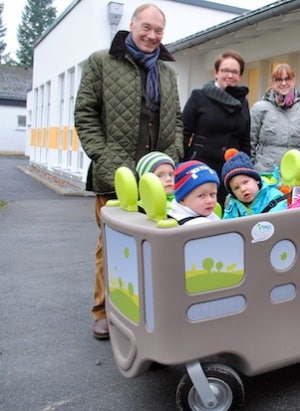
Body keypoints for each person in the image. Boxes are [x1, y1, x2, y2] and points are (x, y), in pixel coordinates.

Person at [74, 3, 184, 340]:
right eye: (146, 27)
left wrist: (173, 158)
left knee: (154, 247)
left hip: (157, 179)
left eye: (159, 30)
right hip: (116, 176)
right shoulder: (101, 62)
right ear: (132, 25)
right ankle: (103, 311)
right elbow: (85, 113)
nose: (152, 35)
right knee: (111, 247)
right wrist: (105, 158)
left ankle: (142, 308)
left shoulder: (166, 72)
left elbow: (176, 120)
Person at [182, 49, 251, 206]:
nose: (230, 75)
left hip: (231, 171)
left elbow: (245, 139)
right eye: (225, 70)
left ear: (240, 75)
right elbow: (184, 132)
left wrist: (246, 168)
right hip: (200, 167)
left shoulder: (243, 102)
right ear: (216, 72)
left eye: (235, 72)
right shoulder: (199, 97)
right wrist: (182, 163)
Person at [250, 63, 300, 173]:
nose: (284, 83)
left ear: (294, 81)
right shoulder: (259, 109)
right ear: (273, 82)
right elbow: (250, 142)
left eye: (287, 79)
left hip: (295, 173)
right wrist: (251, 169)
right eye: (279, 79)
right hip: (265, 172)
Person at [221, 149, 288, 218]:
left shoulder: (273, 196)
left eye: (245, 182)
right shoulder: (232, 206)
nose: (243, 189)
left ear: (256, 180)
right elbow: (227, 225)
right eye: (236, 188)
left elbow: (278, 219)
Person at [168, 160, 221, 225]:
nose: (209, 200)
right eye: (201, 196)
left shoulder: (198, 211)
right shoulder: (194, 225)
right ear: (182, 199)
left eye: (212, 194)